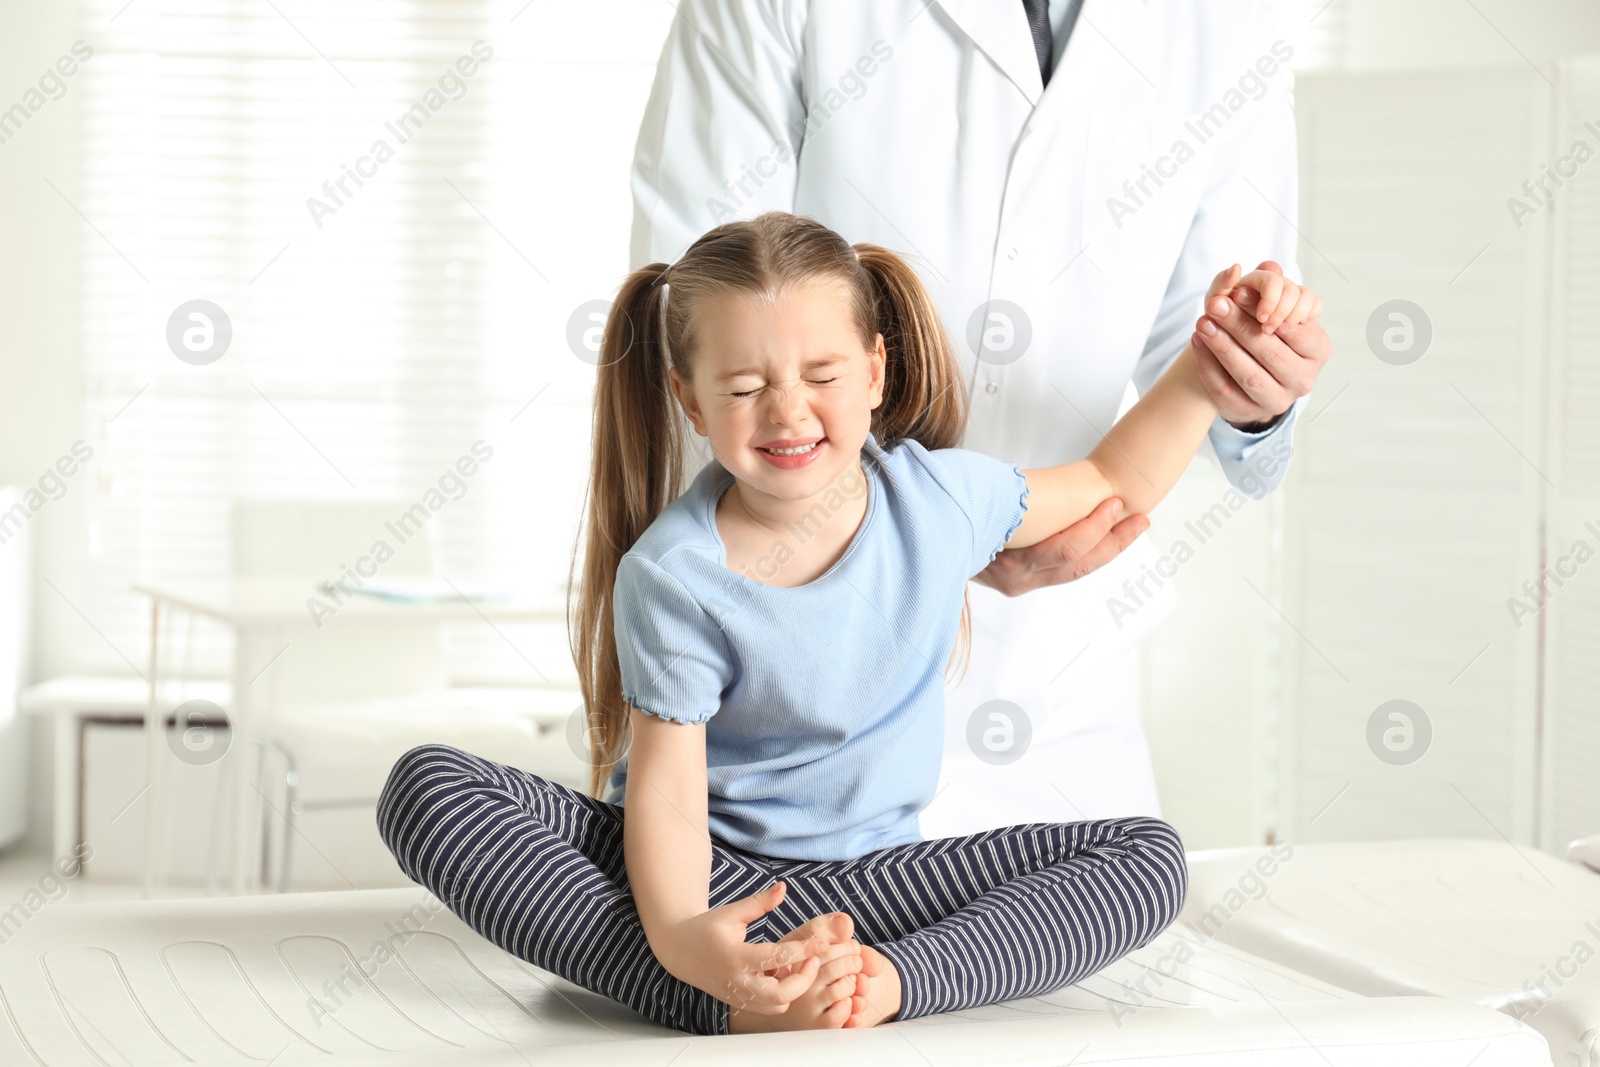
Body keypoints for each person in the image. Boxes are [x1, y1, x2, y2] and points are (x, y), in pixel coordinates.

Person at [378, 212, 1323, 1036]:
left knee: (1149, 859)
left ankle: (886, 984)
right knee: (428, 788)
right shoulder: (673, 575)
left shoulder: (940, 499)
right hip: (702, 879)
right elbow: (665, 801)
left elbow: (1112, 481)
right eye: (745, 387)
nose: (788, 409)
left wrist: (1207, 370)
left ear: (875, 371)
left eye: (822, 373)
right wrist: (691, 942)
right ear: (690, 400)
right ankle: (728, 995)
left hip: (878, 886)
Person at [628, 0, 1335, 835]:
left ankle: (910, 976)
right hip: (781, 728)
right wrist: (902, 551)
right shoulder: (678, 576)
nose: (783, 401)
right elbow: (701, 318)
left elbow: (1205, 373)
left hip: (1057, 690)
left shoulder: (1228, 24)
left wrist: (1252, 374)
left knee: (1126, 882)